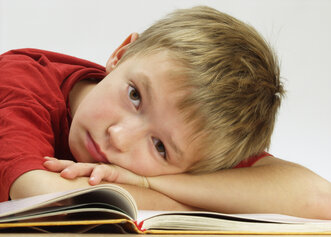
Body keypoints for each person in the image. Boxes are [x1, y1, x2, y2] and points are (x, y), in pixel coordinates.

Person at [1, 6, 330, 219]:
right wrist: (192, 205)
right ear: (122, 53)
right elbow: (39, 195)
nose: (119, 136)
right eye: (135, 95)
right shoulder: (20, 81)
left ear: (192, 168)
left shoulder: (196, 136)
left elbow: (319, 197)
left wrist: (145, 181)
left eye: (160, 147)